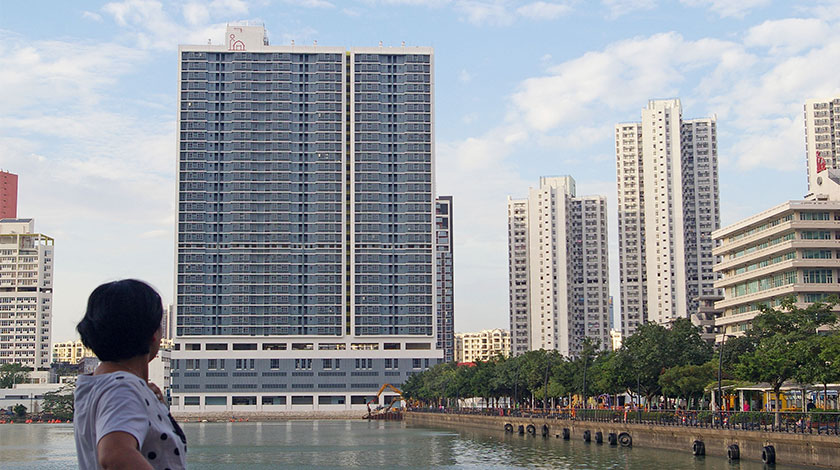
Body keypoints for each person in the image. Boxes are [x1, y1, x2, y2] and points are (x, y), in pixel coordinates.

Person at [74, 279, 186, 470]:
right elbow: (115, 455)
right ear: (153, 334)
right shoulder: (122, 388)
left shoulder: (97, 386)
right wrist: (134, 392)